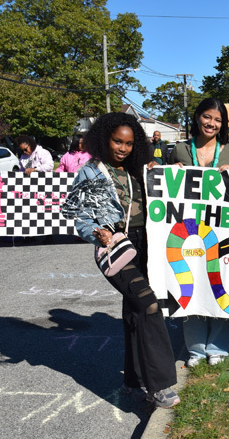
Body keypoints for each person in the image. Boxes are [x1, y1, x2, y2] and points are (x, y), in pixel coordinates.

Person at [70, 112, 180, 408]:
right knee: (149, 305)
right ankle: (159, 386)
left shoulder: (137, 168)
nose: (122, 148)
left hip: (145, 244)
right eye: (117, 141)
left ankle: (133, 380)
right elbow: (80, 217)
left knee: (134, 313)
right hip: (115, 248)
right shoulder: (91, 172)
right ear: (104, 139)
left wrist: (162, 172)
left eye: (129, 143)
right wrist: (97, 233)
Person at [170, 98, 229, 367]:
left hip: (221, 229)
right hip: (187, 229)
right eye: (207, 117)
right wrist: (169, 172)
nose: (212, 123)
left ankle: (218, 347)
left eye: (218, 120)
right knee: (191, 284)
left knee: (221, 282)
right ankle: (196, 350)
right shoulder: (180, 149)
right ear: (197, 117)